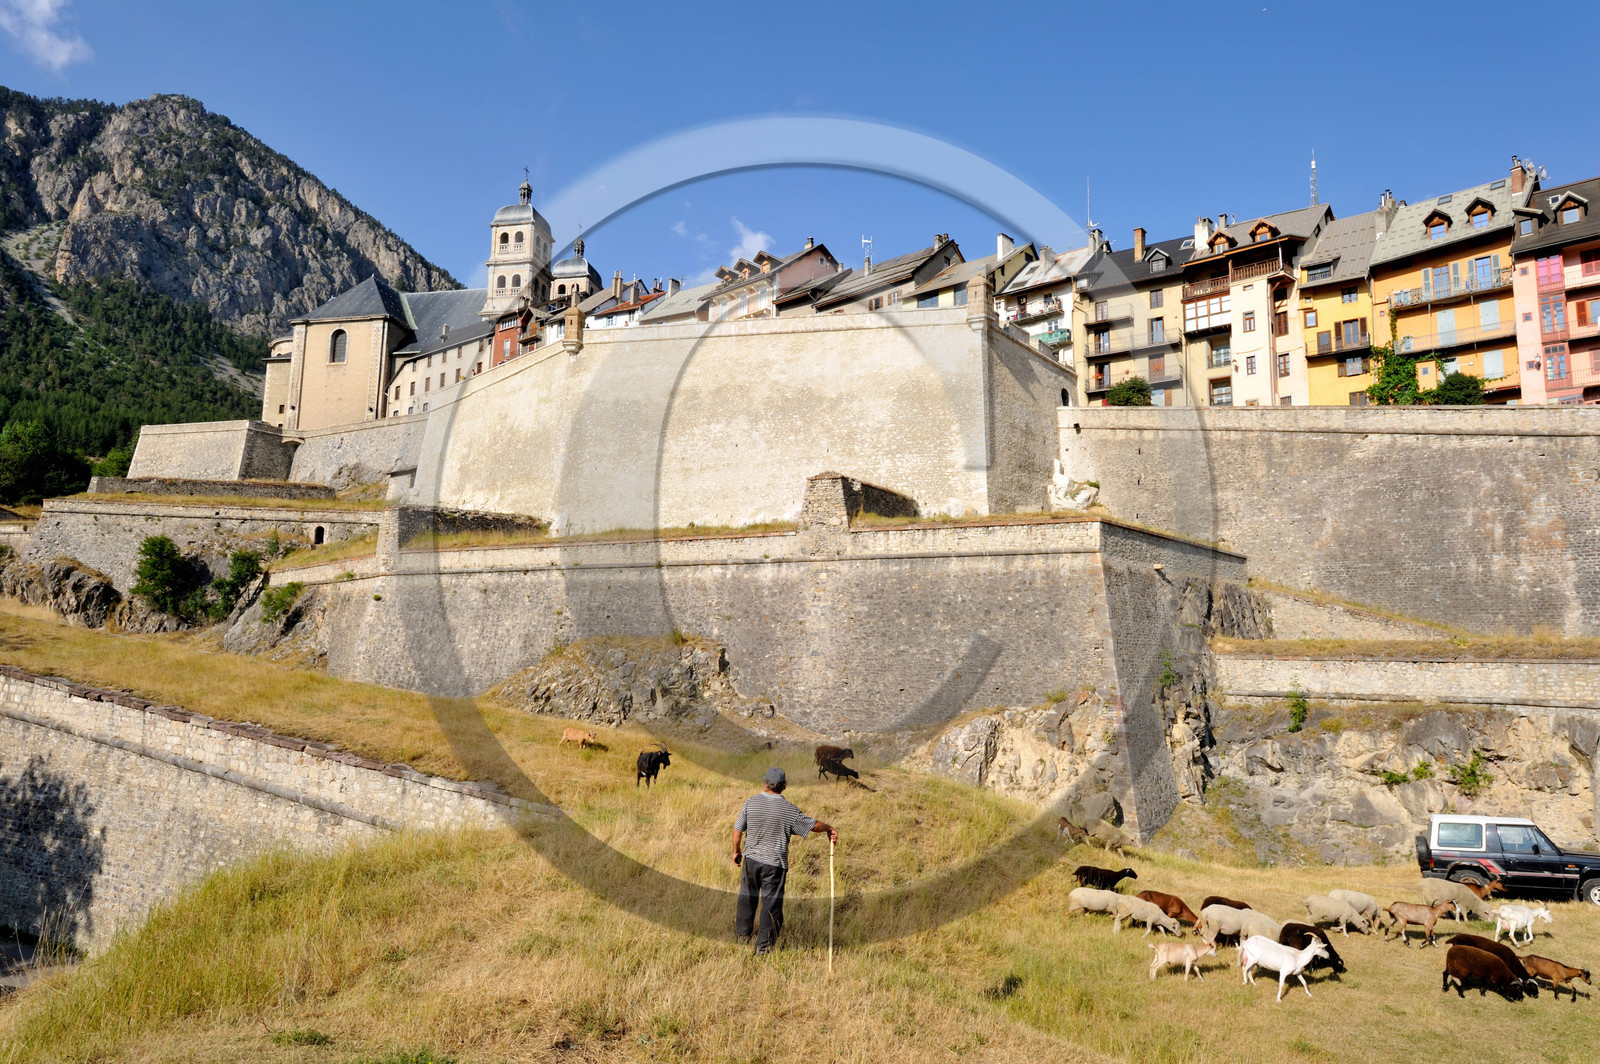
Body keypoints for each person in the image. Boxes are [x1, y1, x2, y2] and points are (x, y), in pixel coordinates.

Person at [732, 766, 837, 954]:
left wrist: (736, 851)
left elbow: (737, 830)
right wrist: (829, 828)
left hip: (751, 860)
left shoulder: (751, 802)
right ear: (784, 787)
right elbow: (812, 825)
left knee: (747, 899)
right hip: (774, 864)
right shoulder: (789, 810)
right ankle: (763, 949)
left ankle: (742, 937)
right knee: (771, 905)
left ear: (765, 784)